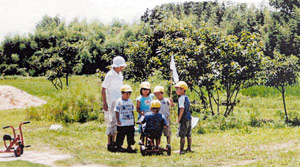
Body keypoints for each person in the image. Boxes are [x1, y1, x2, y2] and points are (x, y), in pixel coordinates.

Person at [101, 56, 127, 151]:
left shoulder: (120, 75)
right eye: (121, 66)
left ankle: (115, 142)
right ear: (116, 66)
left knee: (117, 121)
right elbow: (103, 89)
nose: (122, 68)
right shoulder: (110, 75)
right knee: (111, 121)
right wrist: (104, 103)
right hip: (111, 101)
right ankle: (109, 142)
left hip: (119, 101)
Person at [115, 84, 136, 151]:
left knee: (130, 135)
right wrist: (117, 120)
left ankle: (129, 146)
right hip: (122, 122)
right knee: (121, 135)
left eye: (129, 93)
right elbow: (117, 111)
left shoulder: (130, 101)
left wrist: (133, 119)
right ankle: (119, 146)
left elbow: (132, 110)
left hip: (130, 121)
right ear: (122, 93)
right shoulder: (119, 101)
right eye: (126, 93)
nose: (128, 95)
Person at [175, 81, 192, 154]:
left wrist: (179, 118)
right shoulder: (187, 98)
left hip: (184, 119)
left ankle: (181, 150)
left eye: (177, 89)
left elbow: (182, 109)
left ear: (182, 89)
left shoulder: (181, 98)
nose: (176, 90)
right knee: (189, 134)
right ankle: (189, 148)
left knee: (182, 135)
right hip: (189, 118)